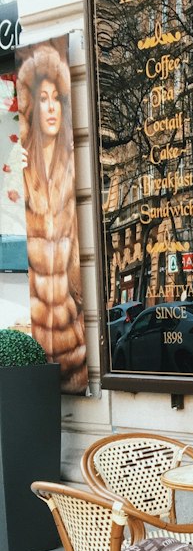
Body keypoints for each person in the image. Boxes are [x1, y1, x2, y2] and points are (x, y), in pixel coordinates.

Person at [16, 41, 87, 392]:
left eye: (55, 97)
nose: (50, 108)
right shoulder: (22, 170)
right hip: (40, 346)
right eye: (42, 99)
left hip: (73, 339)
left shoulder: (69, 168)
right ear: (31, 107)